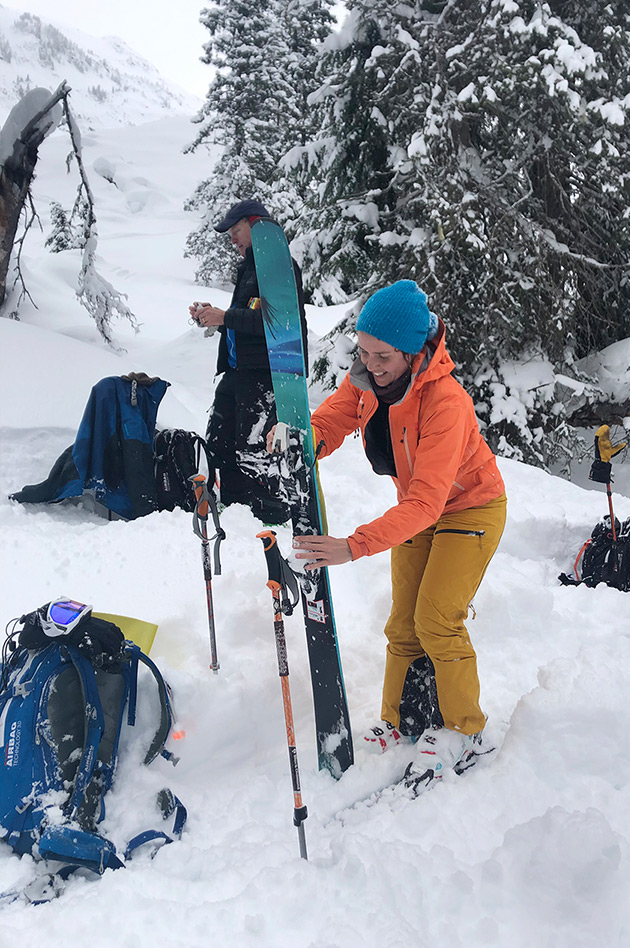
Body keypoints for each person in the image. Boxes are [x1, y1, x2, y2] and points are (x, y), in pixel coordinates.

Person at [273, 280, 507, 794]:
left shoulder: (447, 402)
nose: (370, 364)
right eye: (363, 352)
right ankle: (398, 718)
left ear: (412, 352)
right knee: (403, 624)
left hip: (470, 508)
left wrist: (351, 546)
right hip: (421, 510)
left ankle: (469, 732)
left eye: (381, 356)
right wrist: (305, 440)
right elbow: (335, 416)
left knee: (436, 619)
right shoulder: (369, 378)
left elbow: (426, 502)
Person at [190, 199, 308, 524]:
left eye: (236, 232)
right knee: (220, 438)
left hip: (265, 372)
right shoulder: (249, 269)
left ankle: (271, 512)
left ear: (256, 225)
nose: (233, 241)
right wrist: (213, 317)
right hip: (237, 370)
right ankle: (234, 506)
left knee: (253, 445)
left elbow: (277, 322)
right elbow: (249, 318)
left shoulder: (279, 266)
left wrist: (224, 316)